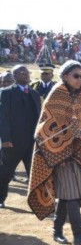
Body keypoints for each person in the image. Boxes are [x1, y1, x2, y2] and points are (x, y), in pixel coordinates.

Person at [27, 60, 81, 245]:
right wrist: (55, 151)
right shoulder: (56, 94)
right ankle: (78, 235)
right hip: (58, 154)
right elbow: (45, 125)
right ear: (65, 76)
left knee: (69, 195)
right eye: (76, 76)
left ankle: (57, 230)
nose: (80, 79)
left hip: (80, 153)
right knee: (71, 194)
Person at [0, 65, 41, 208]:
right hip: (12, 144)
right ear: (15, 75)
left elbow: (39, 118)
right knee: (5, 173)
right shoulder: (6, 93)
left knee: (35, 175)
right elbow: (3, 117)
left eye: (27, 73)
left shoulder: (34, 94)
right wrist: (5, 139)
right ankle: (1, 198)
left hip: (32, 143)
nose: (26, 75)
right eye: (23, 73)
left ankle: (38, 203)